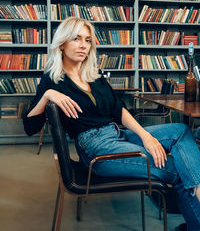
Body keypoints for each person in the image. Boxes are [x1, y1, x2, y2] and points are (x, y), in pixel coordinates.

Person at [23, 17, 200, 231]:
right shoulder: (52, 80)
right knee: (177, 168)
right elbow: (30, 128)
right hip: (96, 149)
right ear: (62, 43)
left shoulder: (94, 77)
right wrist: (48, 96)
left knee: (180, 131)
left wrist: (146, 136)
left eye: (88, 40)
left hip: (117, 135)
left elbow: (119, 110)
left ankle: (197, 191)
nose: (83, 45)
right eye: (76, 38)